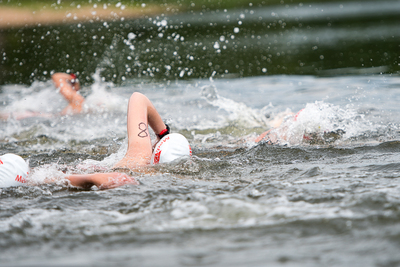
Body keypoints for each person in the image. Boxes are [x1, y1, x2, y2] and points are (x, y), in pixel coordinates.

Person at [0, 92, 191, 189]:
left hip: (61, 173)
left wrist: (162, 133)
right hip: (64, 174)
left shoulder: (139, 156)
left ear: (157, 149)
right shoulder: (151, 170)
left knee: (20, 175)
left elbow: (138, 97)